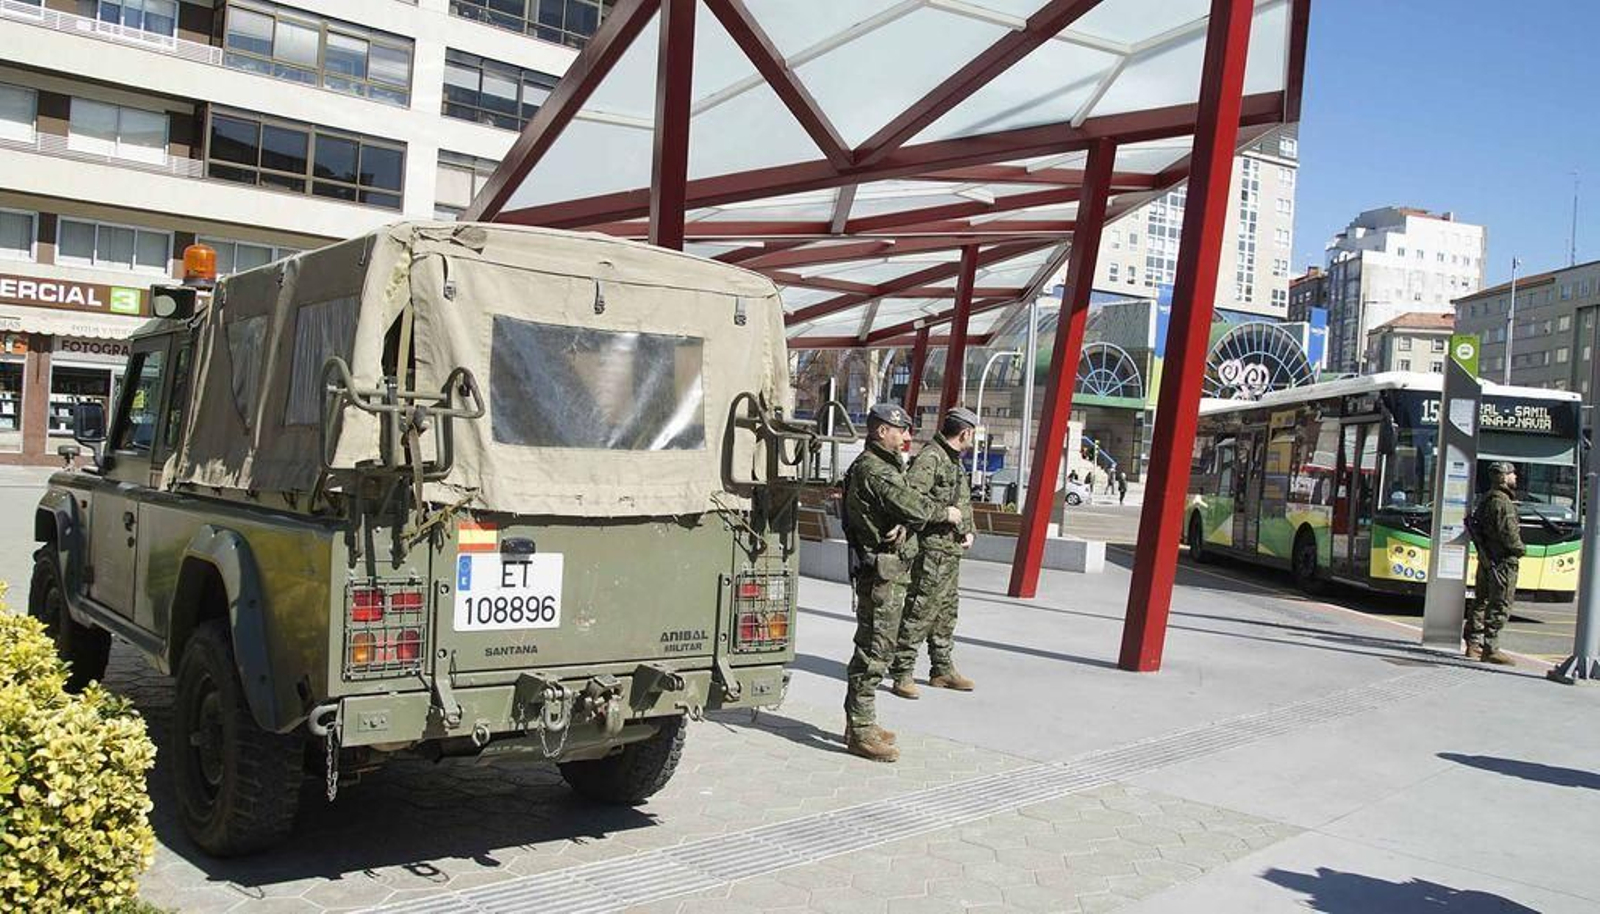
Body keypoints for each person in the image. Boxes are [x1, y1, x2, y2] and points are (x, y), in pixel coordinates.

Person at [840, 402, 962, 762]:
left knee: (879, 649)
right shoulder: (875, 470)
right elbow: (916, 506)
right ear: (882, 431)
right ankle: (860, 731)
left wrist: (905, 523)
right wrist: (947, 513)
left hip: (890, 572)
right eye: (902, 430)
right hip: (881, 575)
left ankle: (861, 722)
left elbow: (901, 512)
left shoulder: (883, 466)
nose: (908, 437)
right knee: (873, 653)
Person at [891, 408, 978, 700]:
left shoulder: (953, 460)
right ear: (965, 433)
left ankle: (942, 668)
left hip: (949, 550)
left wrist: (968, 528)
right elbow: (910, 500)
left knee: (945, 612)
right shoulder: (932, 458)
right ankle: (902, 671)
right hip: (932, 551)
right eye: (973, 434)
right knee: (920, 610)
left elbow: (961, 500)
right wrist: (944, 516)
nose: (973, 439)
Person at [1465, 462, 1524, 665]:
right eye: (1512, 474)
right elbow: (1509, 535)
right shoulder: (1503, 503)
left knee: (1480, 600)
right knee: (1500, 603)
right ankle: (1490, 648)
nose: (1515, 477)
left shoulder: (1486, 499)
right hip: (1502, 561)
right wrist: (1520, 549)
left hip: (1487, 558)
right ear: (1503, 477)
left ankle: (1473, 644)